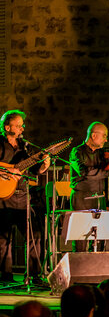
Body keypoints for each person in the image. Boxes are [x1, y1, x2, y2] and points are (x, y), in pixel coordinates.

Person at [0, 109, 50, 283]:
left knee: (34, 236)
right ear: (7, 127)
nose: (22, 128)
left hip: (22, 198)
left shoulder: (25, 146)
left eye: (22, 125)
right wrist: (8, 172)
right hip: (3, 198)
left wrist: (44, 165)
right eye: (19, 125)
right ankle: (5, 278)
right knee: (4, 240)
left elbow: (35, 170)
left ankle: (35, 275)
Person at [69, 122, 109, 252]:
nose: (106, 140)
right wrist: (108, 173)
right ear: (94, 135)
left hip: (98, 197)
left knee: (100, 235)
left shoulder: (102, 154)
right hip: (82, 198)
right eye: (104, 136)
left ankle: (98, 265)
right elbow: (85, 172)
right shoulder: (77, 152)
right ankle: (80, 266)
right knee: (80, 236)